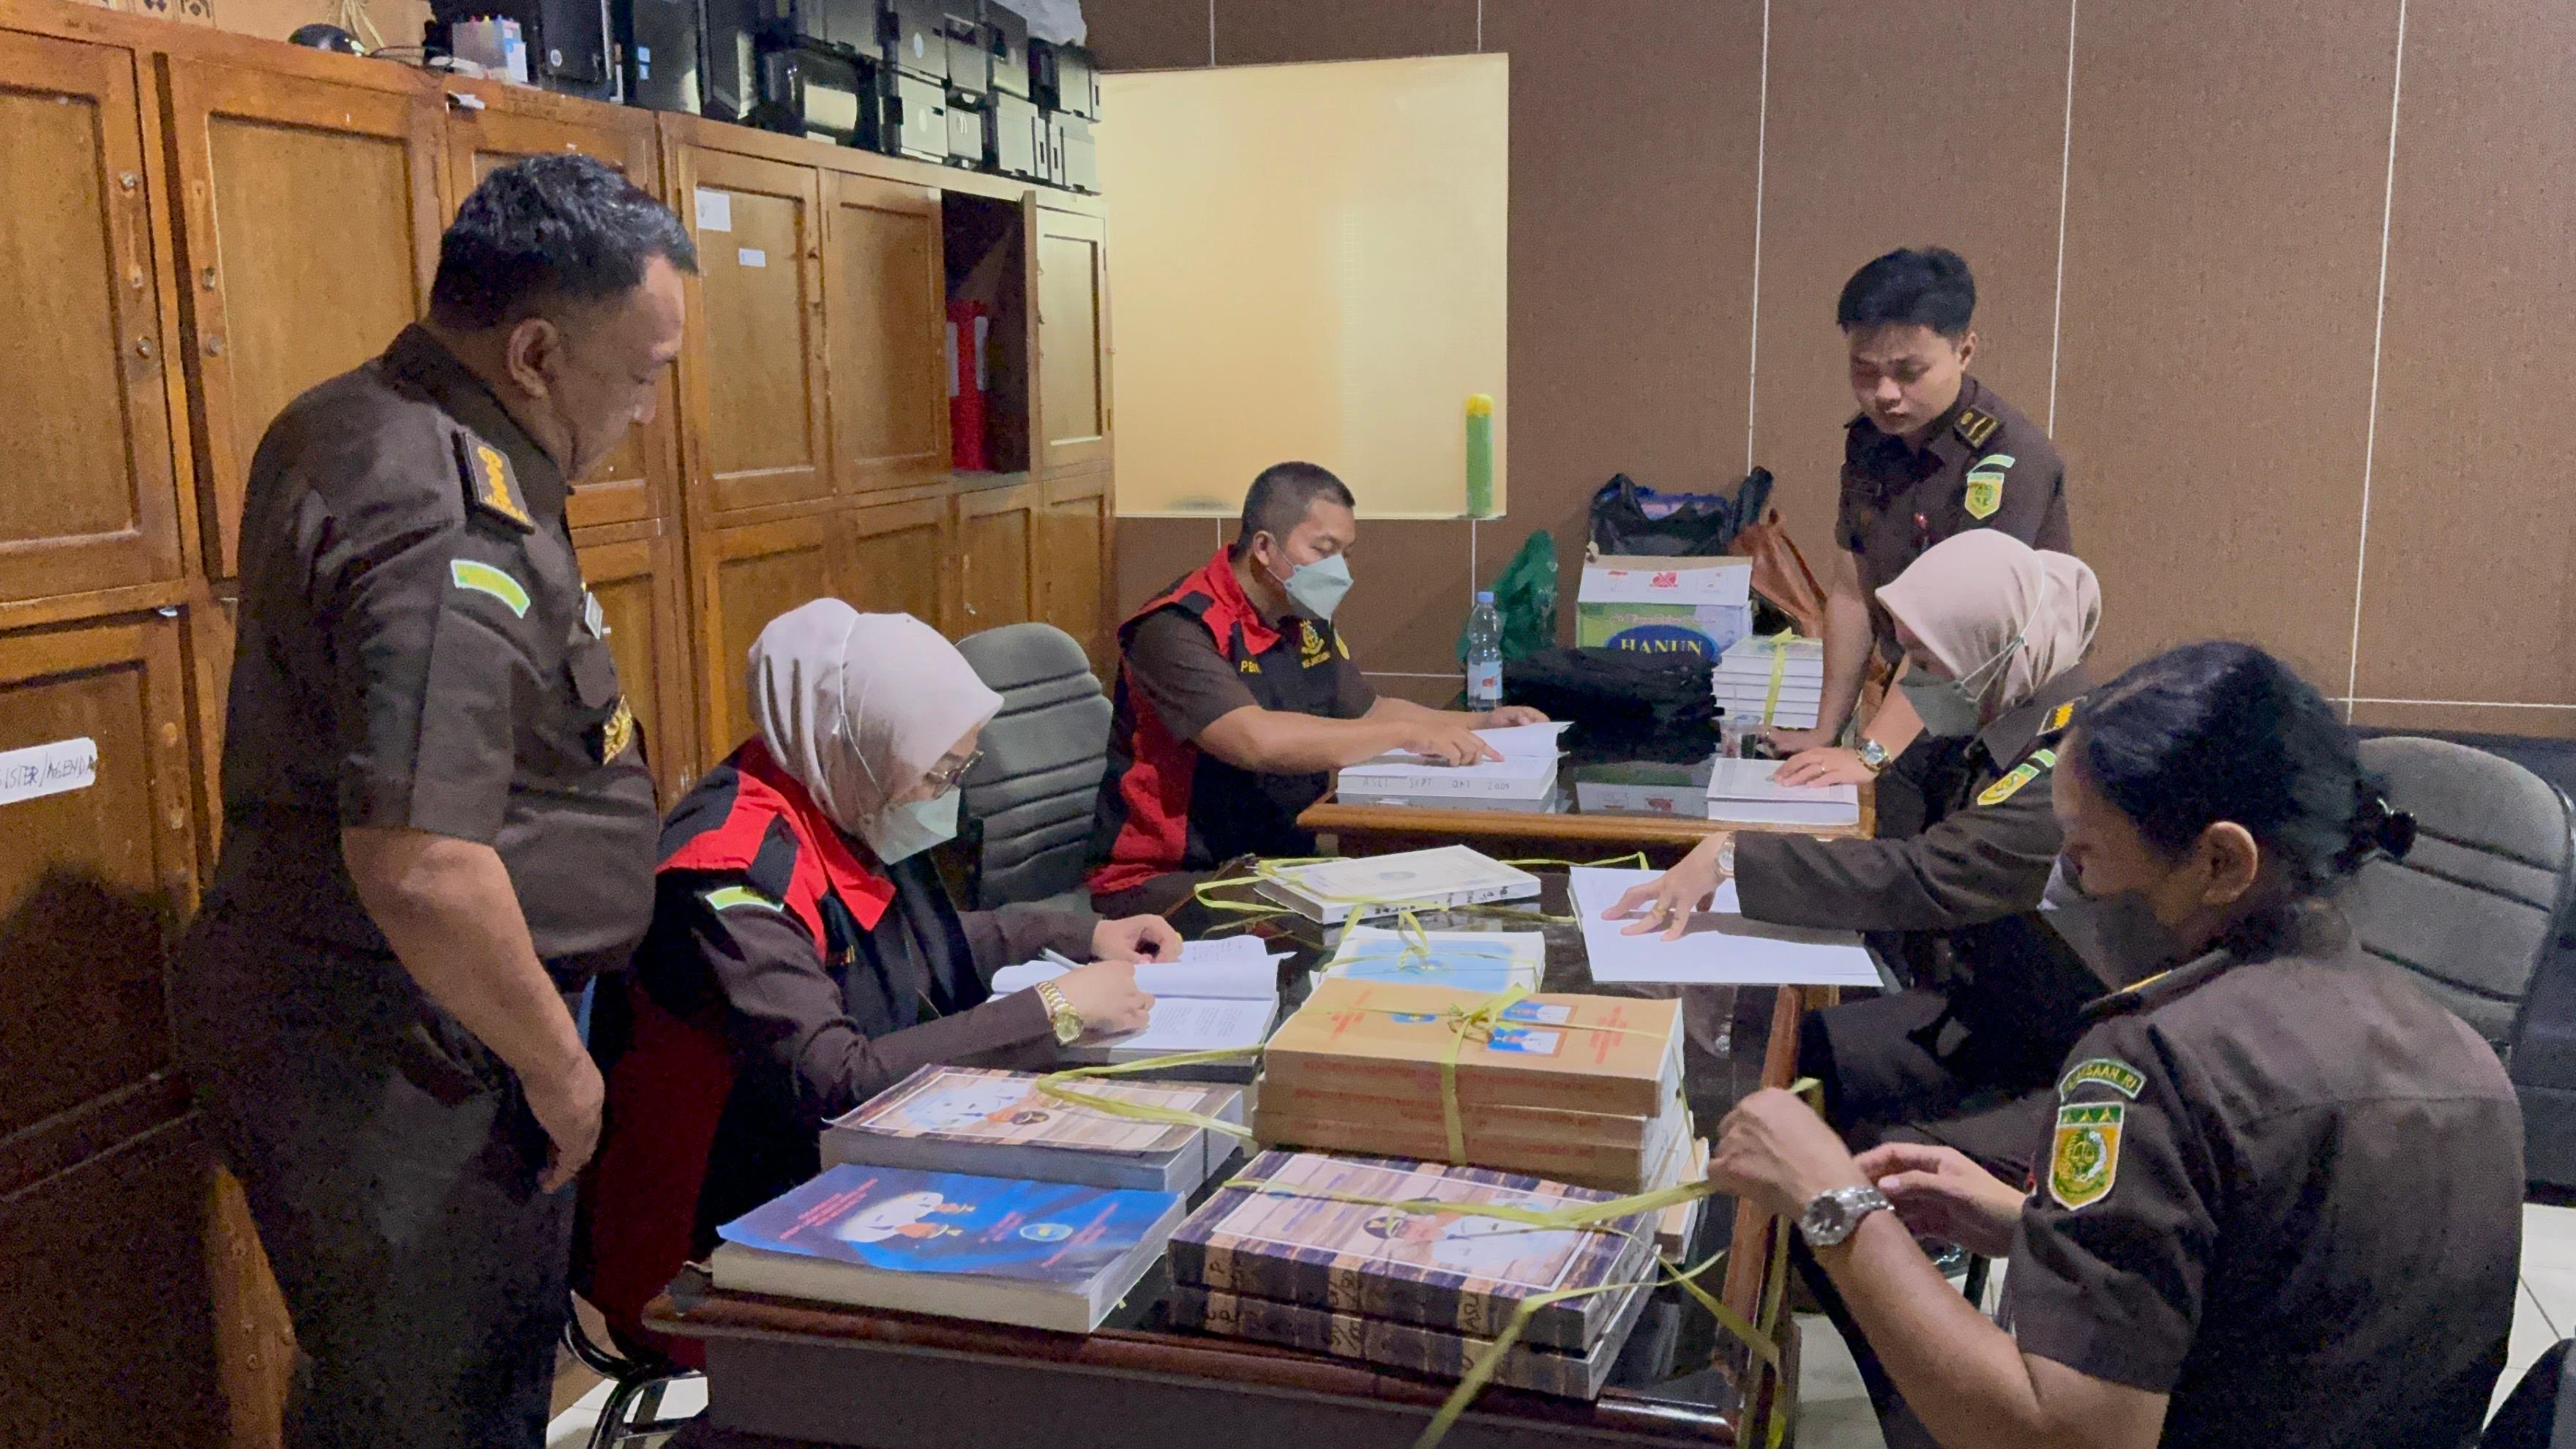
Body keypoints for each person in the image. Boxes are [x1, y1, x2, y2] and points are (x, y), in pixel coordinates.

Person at [171, 157, 693, 1448]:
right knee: (443, 1411)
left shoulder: (357, 416)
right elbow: (422, 863)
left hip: (384, 1022)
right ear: (534, 354)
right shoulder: (453, 517)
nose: (645, 411)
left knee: (394, 1395)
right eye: (642, 375)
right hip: (406, 1053)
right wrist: (562, 1071)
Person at [1707, 641, 2521, 1449]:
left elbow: (2063, 1438)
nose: (2066, 886)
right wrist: (2033, 1225)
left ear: (2220, 862)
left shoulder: (2158, 1066)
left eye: (2087, 855)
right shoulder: (2466, 1061)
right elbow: (2282, 1307)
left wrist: (1832, 1205)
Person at [577, 602, 1180, 1351]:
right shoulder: (730, 874)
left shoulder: (835, 796)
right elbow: (838, 1081)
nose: (946, 794)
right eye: (937, 773)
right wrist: (1056, 1006)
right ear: (856, 747)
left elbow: (917, 945)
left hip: (843, 1173)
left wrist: (1082, 935)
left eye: (959, 769)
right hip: (715, 1238)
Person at [1609, 531, 2101, 1177]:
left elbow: (1927, 874)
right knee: (1798, 1050)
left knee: (1876, 1155)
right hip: (1984, 1010)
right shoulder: (1996, 710)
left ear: (1995, 648)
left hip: (2063, 1056)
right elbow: (1897, 821)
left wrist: (1735, 859)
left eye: (1927, 660)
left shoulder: (2068, 765)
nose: (1913, 682)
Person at [1085, 461, 1548, 916]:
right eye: (1323, 550)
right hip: (1169, 879)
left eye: (1346, 553)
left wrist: (1481, 722)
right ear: (1264, 547)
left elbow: (1367, 711)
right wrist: (1406, 735)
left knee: (1437, 890)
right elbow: (1255, 741)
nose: (1339, 571)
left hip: (1276, 861)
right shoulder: (1177, 627)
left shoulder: (1300, 616)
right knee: (1377, 916)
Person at [1767, 248, 2073, 814]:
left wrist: (1871, 753)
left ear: (1965, 351)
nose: (1885, 393)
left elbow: (1955, 630)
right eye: (1865, 371)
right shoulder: (1871, 441)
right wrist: (1826, 732)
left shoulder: (2007, 458)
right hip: (1915, 713)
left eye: (1909, 373)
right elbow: (1852, 593)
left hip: (2005, 734)